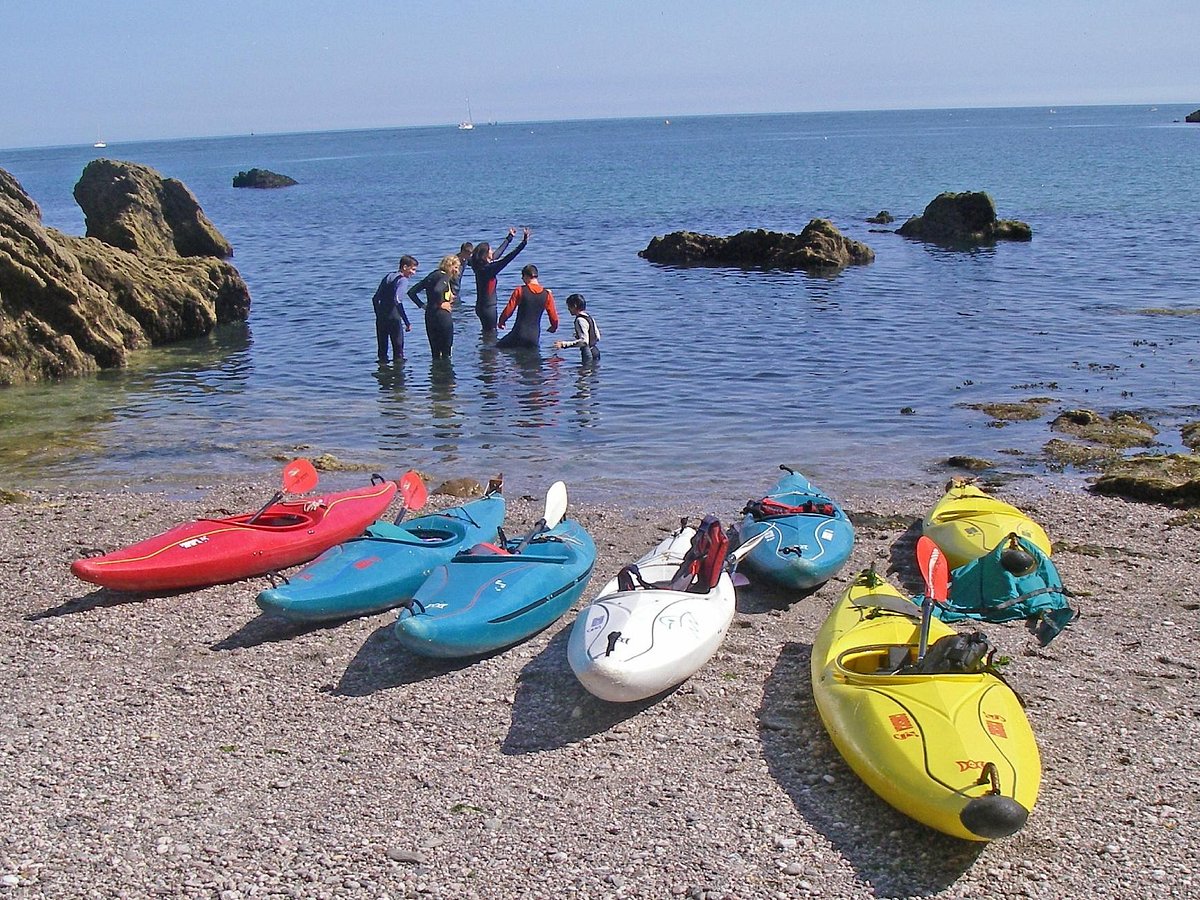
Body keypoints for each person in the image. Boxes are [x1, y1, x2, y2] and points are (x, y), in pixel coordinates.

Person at [469, 227, 530, 331]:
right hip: (488, 309)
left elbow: (498, 254)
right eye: (490, 250)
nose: (492, 251)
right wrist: (523, 243)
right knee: (491, 335)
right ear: (485, 255)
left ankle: (483, 347)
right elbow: (508, 258)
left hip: (481, 307)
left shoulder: (479, 266)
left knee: (486, 334)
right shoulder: (488, 270)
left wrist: (509, 238)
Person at [407, 255, 461, 360]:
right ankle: (446, 375)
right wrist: (440, 303)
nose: (457, 271)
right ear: (450, 265)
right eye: (456, 267)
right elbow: (437, 290)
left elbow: (412, 292)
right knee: (446, 353)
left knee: (435, 352)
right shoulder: (444, 276)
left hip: (430, 315)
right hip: (442, 317)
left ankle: (435, 375)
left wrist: (423, 305)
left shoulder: (432, 275)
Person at [496, 264, 559, 350]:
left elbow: (509, 310)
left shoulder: (520, 290)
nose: (522, 279)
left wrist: (501, 322)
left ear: (526, 276)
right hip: (533, 338)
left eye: (522, 277)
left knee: (496, 348)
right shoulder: (547, 294)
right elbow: (554, 317)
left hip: (518, 334)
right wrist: (553, 327)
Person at [371, 255, 416, 364]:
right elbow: (397, 300)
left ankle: (383, 377)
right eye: (413, 269)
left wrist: (379, 315)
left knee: (382, 351)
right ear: (405, 267)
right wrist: (407, 322)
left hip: (381, 318)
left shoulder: (388, 276)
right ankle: (398, 378)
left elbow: (375, 299)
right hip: (394, 318)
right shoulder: (403, 280)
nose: (414, 273)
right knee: (398, 352)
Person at [554, 293, 601, 364]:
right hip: (595, 351)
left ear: (575, 306)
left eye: (569, 306)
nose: (568, 309)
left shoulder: (579, 320)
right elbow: (597, 337)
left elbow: (584, 342)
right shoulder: (589, 317)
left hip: (588, 353)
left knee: (585, 373)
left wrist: (563, 344)